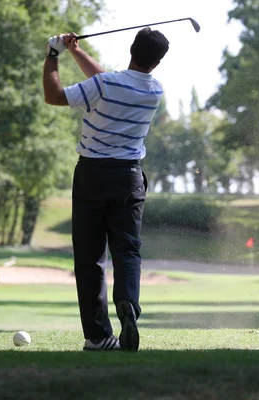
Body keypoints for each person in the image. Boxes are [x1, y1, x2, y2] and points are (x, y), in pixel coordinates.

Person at [43, 28, 169, 351]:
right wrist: (76, 51)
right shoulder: (154, 90)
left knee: (90, 257)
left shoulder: (106, 85)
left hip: (92, 175)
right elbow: (109, 81)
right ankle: (128, 303)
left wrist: (54, 55)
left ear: (131, 49)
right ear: (157, 62)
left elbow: (54, 96)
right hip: (128, 177)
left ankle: (99, 336)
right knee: (127, 250)